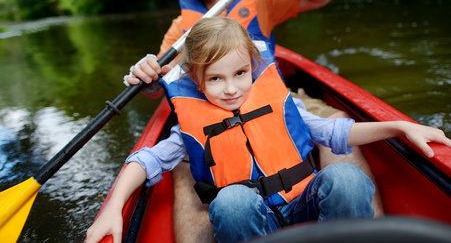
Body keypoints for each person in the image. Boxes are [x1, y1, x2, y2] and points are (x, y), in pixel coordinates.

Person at [87, 17, 451, 243]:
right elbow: (144, 161)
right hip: (253, 225)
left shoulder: (278, 105)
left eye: (240, 74)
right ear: (197, 81)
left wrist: (400, 127)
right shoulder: (189, 130)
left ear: (252, 68)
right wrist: (112, 209)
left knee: (345, 176)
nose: (231, 89)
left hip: (305, 209)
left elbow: (340, 133)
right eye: (216, 79)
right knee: (230, 201)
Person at [124, 0, 385, 241]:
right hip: (211, 107)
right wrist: (146, 76)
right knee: (184, 166)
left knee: (335, 119)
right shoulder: (179, 30)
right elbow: (162, 82)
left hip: (274, 96)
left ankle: (369, 229)